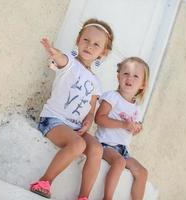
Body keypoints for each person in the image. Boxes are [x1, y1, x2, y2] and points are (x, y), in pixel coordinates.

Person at [30, 18, 114, 200]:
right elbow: (60, 59)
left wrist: (89, 119)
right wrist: (53, 52)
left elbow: (91, 110)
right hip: (54, 121)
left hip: (76, 128)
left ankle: (83, 196)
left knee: (97, 149)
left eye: (96, 44)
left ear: (103, 53)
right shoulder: (70, 63)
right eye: (86, 40)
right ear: (78, 40)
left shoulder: (96, 82)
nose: (89, 46)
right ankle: (44, 181)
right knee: (78, 144)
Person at [95, 57, 149, 200]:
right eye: (126, 73)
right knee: (119, 162)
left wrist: (136, 129)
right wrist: (124, 125)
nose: (129, 78)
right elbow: (99, 118)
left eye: (135, 76)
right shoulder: (112, 97)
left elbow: (130, 129)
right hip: (105, 144)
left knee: (142, 172)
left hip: (123, 150)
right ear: (118, 76)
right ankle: (107, 198)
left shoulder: (137, 108)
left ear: (142, 84)